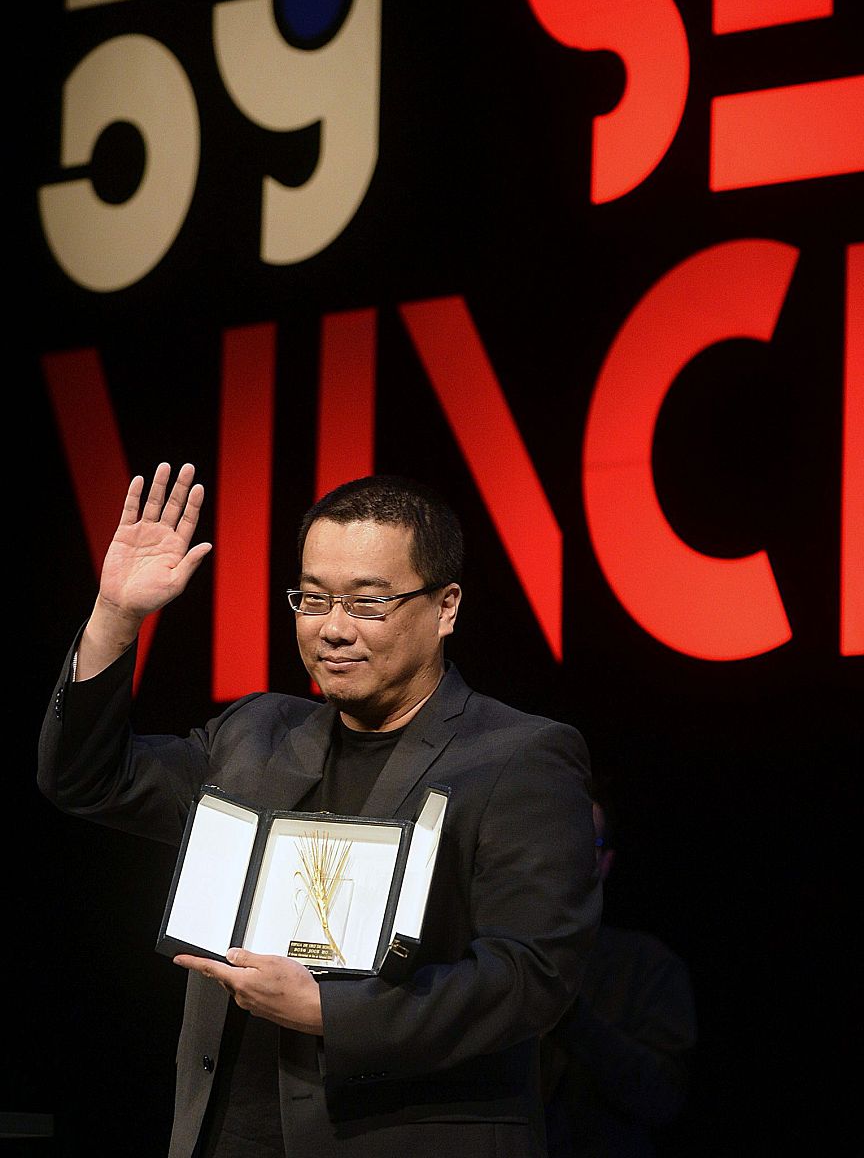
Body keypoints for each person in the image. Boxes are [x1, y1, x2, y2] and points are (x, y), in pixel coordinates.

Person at [38, 462, 600, 1158]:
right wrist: (118, 615)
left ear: (445, 606)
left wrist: (332, 1012)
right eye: (311, 599)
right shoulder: (256, 734)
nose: (333, 629)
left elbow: (532, 980)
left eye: (367, 603)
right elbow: (85, 778)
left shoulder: (518, 758)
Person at [540, 799, 697, 1157]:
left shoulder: (649, 965)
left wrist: (572, 1014)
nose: (567, 854)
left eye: (585, 843)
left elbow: (662, 1099)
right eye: (555, 838)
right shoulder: (486, 956)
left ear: (605, 863)